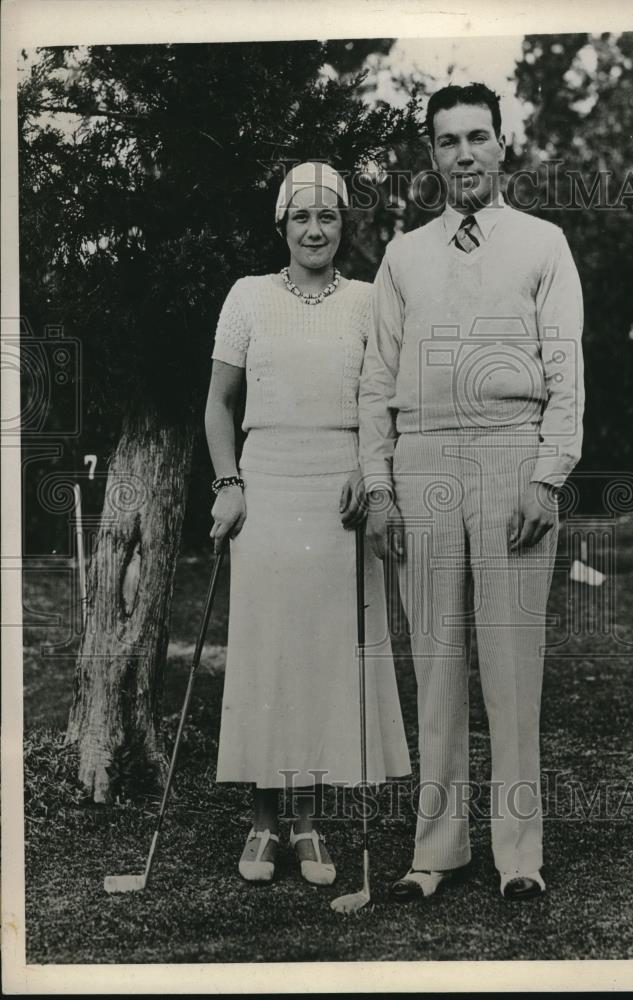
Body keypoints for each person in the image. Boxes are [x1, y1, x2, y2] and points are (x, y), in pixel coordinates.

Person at [359, 84, 584, 901]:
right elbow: (376, 379)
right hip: (422, 467)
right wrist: (380, 490)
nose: (463, 154)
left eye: (477, 138)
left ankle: (518, 855)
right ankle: (437, 849)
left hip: (511, 461)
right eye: (447, 141)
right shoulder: (403, 255)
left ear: (502, 146)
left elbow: (567, 373)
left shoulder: (542, 245)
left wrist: (547, 474)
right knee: (439, 665)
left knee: (512, 670)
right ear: (431, 156)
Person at [205, 162, 410, 887]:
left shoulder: (366, 300)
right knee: (269, 653)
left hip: (339, 492)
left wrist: (369, 466)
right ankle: (263, 822)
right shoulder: (248, 298)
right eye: (301, 218)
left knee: (327, 655)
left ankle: (308, 822)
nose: (315, 230)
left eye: (328, 217)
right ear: (282, 224)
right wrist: (228, 483)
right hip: (266, 488)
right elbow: (218, 405)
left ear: (343, 224)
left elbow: (380, 399)